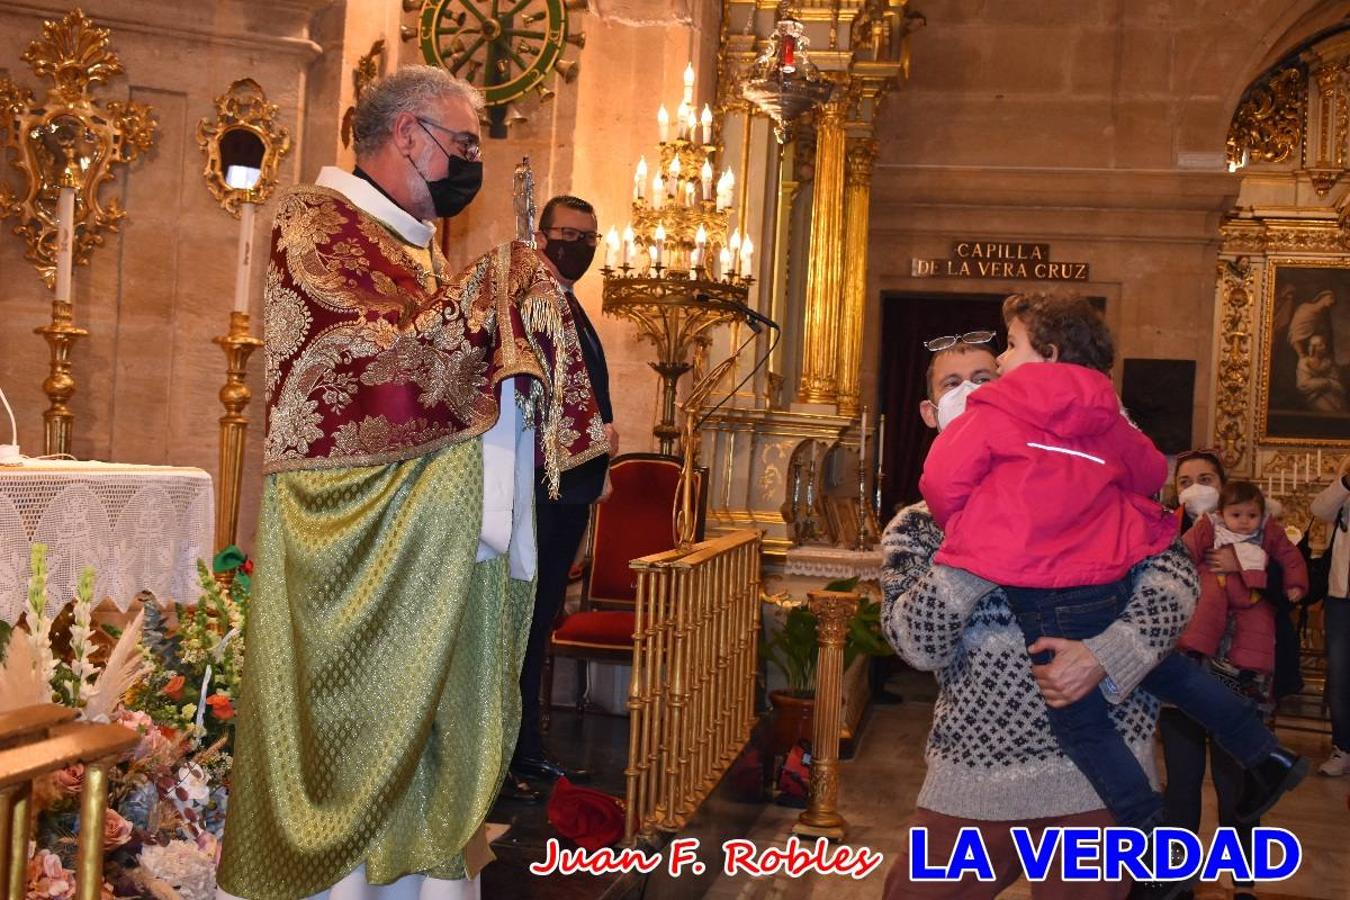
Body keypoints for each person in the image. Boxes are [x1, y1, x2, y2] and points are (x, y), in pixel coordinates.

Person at [216, 67, 609, 900]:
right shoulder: (316, 224)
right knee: (355, 734)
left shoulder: (418, 251)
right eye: (463, 144)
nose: (470, 163)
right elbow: (367, 368)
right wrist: (496, 288)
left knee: (429, 742)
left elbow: (459, 374)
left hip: (435, 550)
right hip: (359, 547)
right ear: (407, 135)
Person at [918, 293, 1308, 836]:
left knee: (1077, 721)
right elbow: (1150, 471)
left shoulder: (994, 409)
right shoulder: (1105, 409)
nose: (1002, 361)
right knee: (1164, 668)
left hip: (1042, 584)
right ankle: (1264, 752)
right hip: (1107, 574)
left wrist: (968, 524)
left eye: (1010, 346)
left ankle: (1149, 836)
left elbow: (940, 482)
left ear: (1048, 353)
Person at [880, 334, 1197, 900]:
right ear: (930, 413)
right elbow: (916, 644)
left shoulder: (1098, 483)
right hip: (973, 771)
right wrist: (983, 543)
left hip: (1099, 775)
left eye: (986, 381)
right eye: (953, 385)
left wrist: (1106, 656)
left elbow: (1174, 581)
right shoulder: (919, 524)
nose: (972, 395)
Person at [507, 195, 617, 796]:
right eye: (569, 233)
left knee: (540, 621)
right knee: (524, 623)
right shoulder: (534, 306)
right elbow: (532, 398)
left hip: (568, 488)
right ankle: (513, 752)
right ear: (541, 236)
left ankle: (526, 745)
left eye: (590, 235)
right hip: (542, 491)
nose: (581, 244)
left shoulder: (568, 305)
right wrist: (597, 433)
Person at [1161, 457, 1305, 900]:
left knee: (1236, 785)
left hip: (1238, 673)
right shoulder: (1171, 536)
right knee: (1181, 786)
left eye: (1204, 480)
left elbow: (1292, 585)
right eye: (1184, 482)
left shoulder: (1261, 530)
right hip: (1182, 673)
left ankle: (1243, 882)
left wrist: (1243, 566)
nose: (1194, 488)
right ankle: (1173, 881)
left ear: (1224, 489)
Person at [1179, 481, 1307, 675]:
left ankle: (1251, 668)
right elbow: (1187, 549)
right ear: (1221, 514)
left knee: (1260, 621)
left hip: (1251, 590)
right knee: (1207, 607)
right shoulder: (1209, 528)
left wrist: (1295, 584)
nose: (1244, 521)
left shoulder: (1270, 533)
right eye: (1236, 515)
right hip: (1216, 583)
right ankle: (1196, 647)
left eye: (1252, 515)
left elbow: (1291, 559)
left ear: (1262, 515)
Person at [1312, 454, 1350, 776]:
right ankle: (1342, 747)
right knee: (1339, 676)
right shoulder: (1345, 480)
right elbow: (1319, 510)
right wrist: (1346, 483)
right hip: (1342, 596)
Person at [1295, 333, 1346, 412]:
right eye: (1321, 345)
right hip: (1314, 398)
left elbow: (1338, 384)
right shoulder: (1304, 363)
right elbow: (1303, 384)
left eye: (1324, 344)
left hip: (1331, 395)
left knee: (1340, 407)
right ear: (1313, 348)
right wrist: (1326, 382)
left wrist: (1330, 384)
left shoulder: (1329, 362)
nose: (1324, 347)